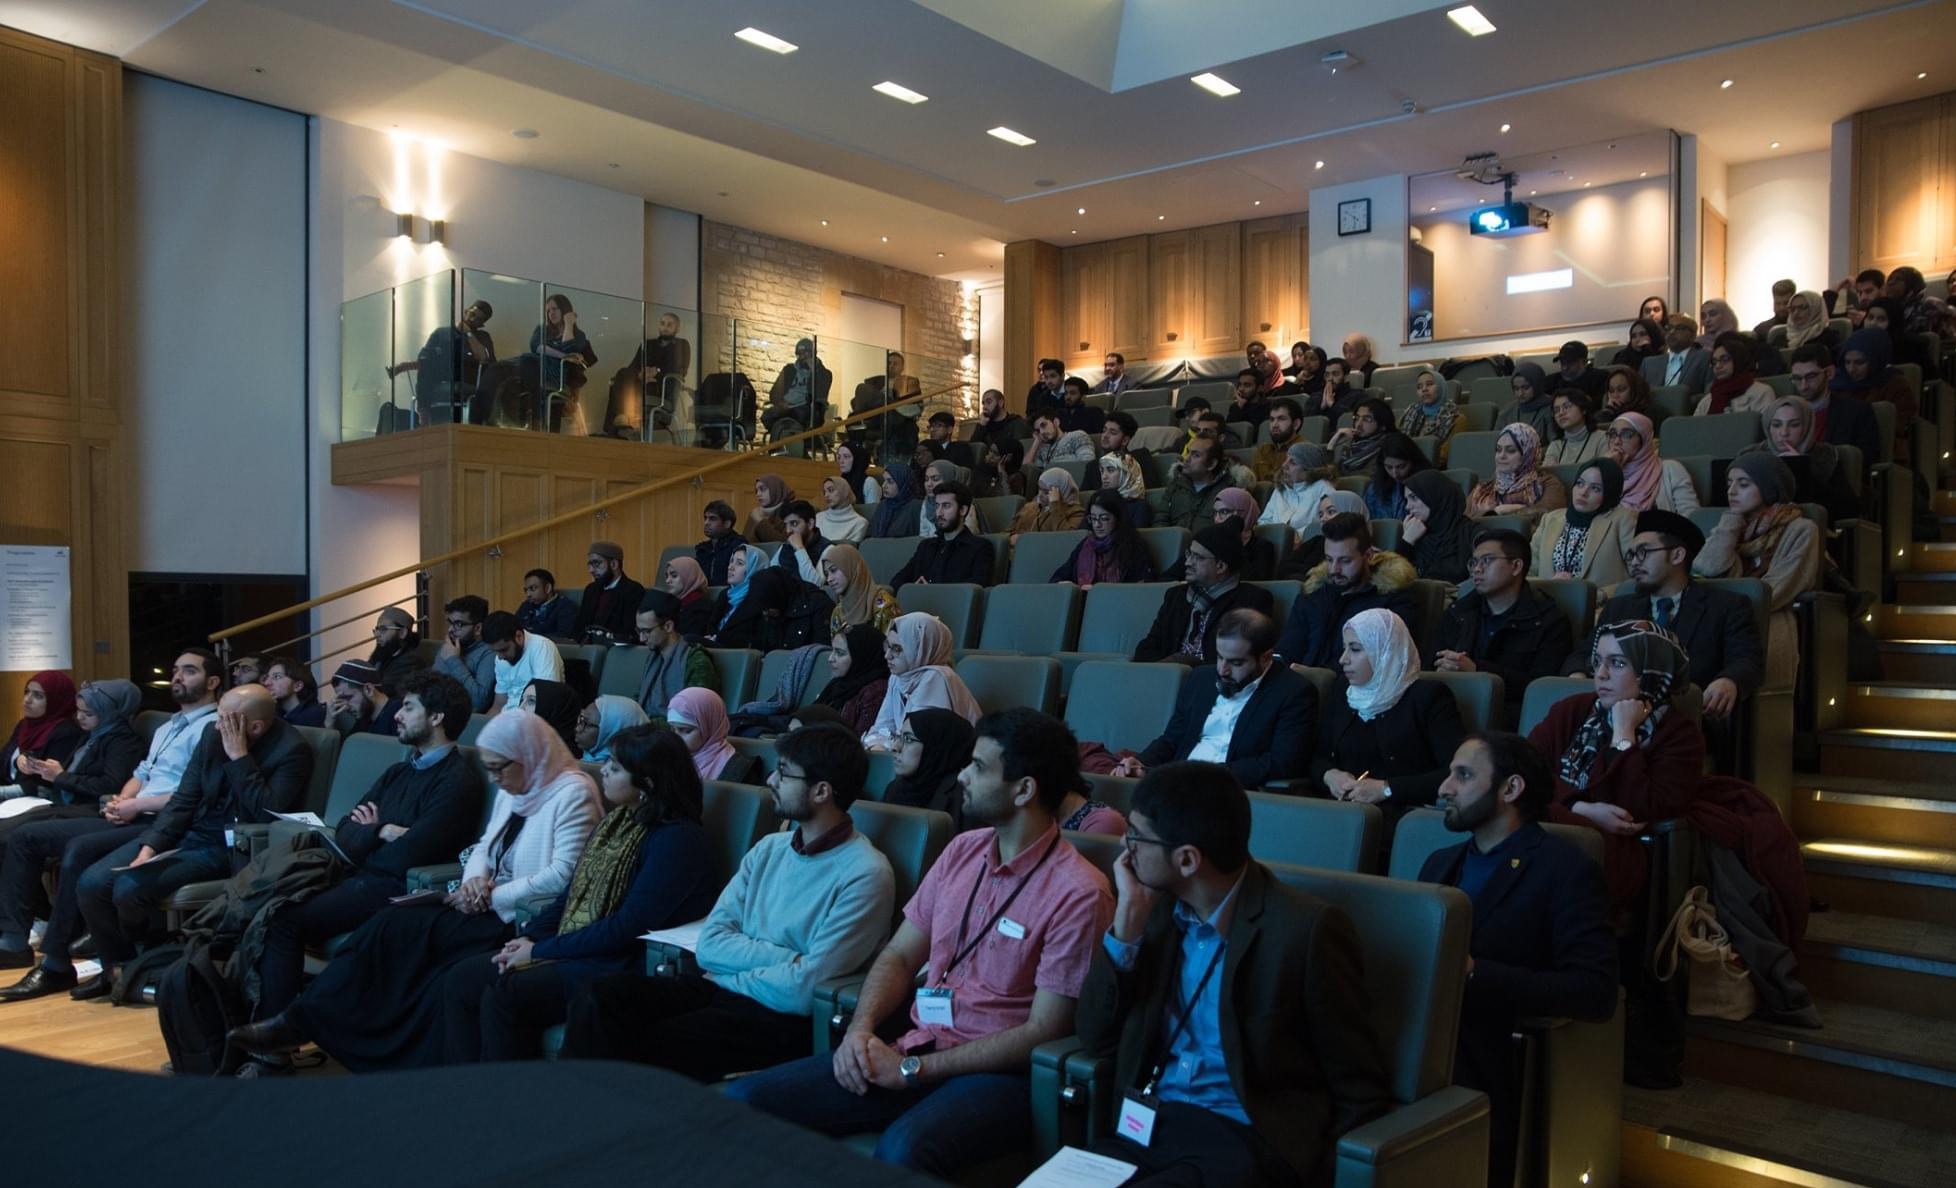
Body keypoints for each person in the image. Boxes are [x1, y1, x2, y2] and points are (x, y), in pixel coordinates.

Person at [724, 711, 1115, 1180]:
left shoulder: (1079, 892)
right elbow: (899, 954)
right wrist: (860, 1030)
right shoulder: (963, 850)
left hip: (996, 1076)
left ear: (1024, 789)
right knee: (744, 1102)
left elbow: (1042, 1030)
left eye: (978, 767)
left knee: (903, 1149)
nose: (962, 776)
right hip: (916, 1040)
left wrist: (914, 1071)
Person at [229, 709, 600, 1071]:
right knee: (390, 924)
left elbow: (566, 876)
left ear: (529, 755)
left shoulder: (572, 793)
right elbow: (486, 845)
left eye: (499, 768)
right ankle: (302, 1020)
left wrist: (491, 895)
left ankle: (322, 1030)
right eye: (488, 767)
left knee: (422, 959)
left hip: (521, 919)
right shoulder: (516, 785)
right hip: (480, 903)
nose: (493, 779)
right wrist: (474, 878)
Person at [1081, 761, 1391, 1188]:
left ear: (1187, 859)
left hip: (1245, 1138)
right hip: (1150, 1125)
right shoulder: (1151, 910)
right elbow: (1094, 1036)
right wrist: (1126, 927)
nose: (1124, 847)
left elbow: (1358, 1084)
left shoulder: (1303, 931)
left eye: (1136, 836)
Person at [560, 722, 896, 1078]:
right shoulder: (770, 848)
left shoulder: (865, 873)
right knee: (598, 997)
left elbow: (805, 987)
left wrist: (741, 966)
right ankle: (579, 1115)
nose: (770, 781)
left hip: (778, 1016)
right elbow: (710, 945)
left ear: (821, 791)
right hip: (719, 987)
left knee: (651, 1041)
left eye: (783, 773)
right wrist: (788, 958)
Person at [234, 671, 486, 1069]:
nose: (397, 716)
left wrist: (373, 834)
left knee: (284, 921)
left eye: (408, 707)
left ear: (437, 718)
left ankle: (273, 1050)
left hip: (395, 888)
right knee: (268, 909)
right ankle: (260, 1035)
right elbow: (347, 831)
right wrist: (382, 832)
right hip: (360, 874)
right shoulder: (399, 771)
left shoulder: (457, 781)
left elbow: (410, 855)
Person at [436, 724, 718, 1063]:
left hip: (622, 963)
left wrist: (541, 950)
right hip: (585, 947)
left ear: (647, 783)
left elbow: (627, 927)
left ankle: (505, 1103)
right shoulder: (616, 825)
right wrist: (528, 938)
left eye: (615, 768)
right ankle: (462, 1089)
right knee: (461, 979)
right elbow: (570, 896)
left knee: (507, 994)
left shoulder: (677, 840)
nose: (604, 772)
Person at [1423, 733, 1617, 1188]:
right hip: (1424, 1042)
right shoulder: (1439, 863)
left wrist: (1474, 973)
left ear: (1510, 790)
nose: (1443, 787)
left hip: (1491, 1055)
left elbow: (1595, 992)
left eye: (1463, 775)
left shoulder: (1565, 870)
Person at [0, 652, 219, 997]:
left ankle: (59, 961)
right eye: (175, 670)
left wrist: (132, 804)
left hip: (166, 819)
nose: (177, 677)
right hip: (132, 809)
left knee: (75, 850)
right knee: (26, 834)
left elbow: (193, 792)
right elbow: (142, 773)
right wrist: (123, 799)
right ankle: (24, 942)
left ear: (212, 682)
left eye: (188, 671)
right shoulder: (167, 725)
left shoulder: (213, 728)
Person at [82, 684, 315, 996]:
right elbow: (184, 799)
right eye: (218, 717)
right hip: (191, 831)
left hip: (232, 845)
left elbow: (263, 813)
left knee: (129, 888)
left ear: (255, 727)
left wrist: (239, 757)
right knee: (92, 883)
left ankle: (144, 964)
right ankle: (119, 968)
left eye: (226, 721)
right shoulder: (210, 734)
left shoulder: (291, 750)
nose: (217, 726)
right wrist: (151, 846)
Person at [1532, 621, 1702, 914]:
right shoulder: (1574, 709)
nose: (1600, 674)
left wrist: (1624, 736)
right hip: (1549, 829)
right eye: (1597, 662)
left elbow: (1635, 810)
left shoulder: (1680, 736)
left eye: (1618, 663)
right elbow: (1522, 770)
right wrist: (1580, 808)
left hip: (1611, 852)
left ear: (1651, 672)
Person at [1565, 511, 1763, 737]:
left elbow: (1747, 660)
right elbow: (1581, 655)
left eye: (1644, 552)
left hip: (1684, 720)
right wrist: (1578, 677)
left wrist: (1729, 680)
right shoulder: (1619, 607)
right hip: (1613, 714)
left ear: (1678, 555)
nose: (1635, 563)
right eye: (1631, 555)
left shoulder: (1726, 606)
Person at [0, 678, 144, 959]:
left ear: (110, 713)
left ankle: (18, 933)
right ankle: (13, 929)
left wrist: (60, 776)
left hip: (95, 811)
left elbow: (107, 786)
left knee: (16, 837)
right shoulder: (93, 734)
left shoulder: (122, 740)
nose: (79, 717)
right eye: (79, 711)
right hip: (72, 806)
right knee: (7, 833)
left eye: (88, 713)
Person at [1115, 609, 1316, 789]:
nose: (1222, 670)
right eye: (1220, 657)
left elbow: (1281, 762)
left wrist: (1199, 775)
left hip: (1230, 791)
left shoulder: (1294, 691)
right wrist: (1141, 762)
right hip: (1175, 785)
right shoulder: (1200, 679)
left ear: (1265, 658)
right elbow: (1172, 739)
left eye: (1235, 662)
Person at [1314, 609, 1463, 826]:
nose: (1343, 659)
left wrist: (1386, 788)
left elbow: (1455, 772)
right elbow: (1316, 756)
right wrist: (1329, 775)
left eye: (1355, 649)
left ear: (1384, 651)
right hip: (1341, 814)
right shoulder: (1342, 691)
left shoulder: (1429, 697)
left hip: (1403, 818)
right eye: (1344, 648)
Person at [1693, 453, 1821, 688]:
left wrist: (1731, 607)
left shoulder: (1802, 529)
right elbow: (1706, 569)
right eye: (1729, 483)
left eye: (1743, 484)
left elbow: (1779, 588)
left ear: (1768, 487)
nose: (1731, 491)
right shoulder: (1732, 526)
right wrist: (1730, 521)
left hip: (1768, 614)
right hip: (1725, 616)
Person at [1430, 530, 1573, 718]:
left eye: (1487, 560)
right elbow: (1428, 664)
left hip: (1511, 716)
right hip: (1451, 706)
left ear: (1516, 566)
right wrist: (1441, 670)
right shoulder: (1458, 613)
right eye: (1473, 562)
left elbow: (1540, 688)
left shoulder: (1549, 620)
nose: (1477, 569)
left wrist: (1477, 671)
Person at [1275, 513, 1418, 668]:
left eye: (1345, 561)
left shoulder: (1392, 604)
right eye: (1329, 559)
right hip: (1302, 687)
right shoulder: (1311, 598)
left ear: (1368, 556)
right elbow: (1286, 653)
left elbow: (1382, 667)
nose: (1335, 569)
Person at [1133, 524, 1276, 666]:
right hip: (1168, 677)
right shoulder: (1176, 596)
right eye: (1189, 555)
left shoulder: (1252, 600)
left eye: (1197, 557)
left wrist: (1191, 665)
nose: (1187, 563)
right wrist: (1166, 668)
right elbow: (1149, 646)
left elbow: (1243, 659)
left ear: (1221, 566)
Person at [862, 613, 982, 750]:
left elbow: (919, 741)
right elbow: (881, 728)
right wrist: (878, 745)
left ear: (920, 648)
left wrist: (884, 746)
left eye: (897, 649)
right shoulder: (898, 676)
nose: (887, 655)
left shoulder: (936, 677)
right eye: (888, 646)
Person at [1745, 395, 1861, 525]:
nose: (1784, 432)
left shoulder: (1824, 456)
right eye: (1776, 425)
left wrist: (1800, 469)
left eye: (1794, 425)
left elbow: (1849, 510)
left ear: (1806, 427)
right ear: (1767, 427)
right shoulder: (1751, 456)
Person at [1533, 459, 1633, 587]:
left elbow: (1638, 577)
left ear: (1610, 493)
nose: (1583, 492)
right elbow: (1528, 573)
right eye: (1580, 483)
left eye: (1595, 488)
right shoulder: (1550, 519)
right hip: (1550, 603)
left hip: (1601, 605)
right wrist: (1550, 586)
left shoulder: (1623, 520)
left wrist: (1597, 596)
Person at [890, 483, 995, 589]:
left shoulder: (979, 547)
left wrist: (934, 592)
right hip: (918, 604)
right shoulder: (926, 546)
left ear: (962, 510)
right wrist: (914, 589)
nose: (939, 513)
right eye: (937, 505)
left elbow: (975, 590)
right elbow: (896, 582)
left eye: (946, 506)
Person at [1788, 344, 1881, 464]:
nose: (1803, 385)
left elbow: (1866, 462)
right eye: (1797, 378)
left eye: (1811, 376)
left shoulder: (1856, 411)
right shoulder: (1785, 413)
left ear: (1830, 373)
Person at [1833, 328, 1918, 459]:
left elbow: (1902, 424)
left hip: (1883, 448)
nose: (1851, 369)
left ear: (1875, 359)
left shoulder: (1895, 383)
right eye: (1847, 362)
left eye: (1859, 362)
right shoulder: (1837, 384)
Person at [634, 591, 717, 722]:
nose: (641, 638)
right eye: (639, 631)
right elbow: (639, 699)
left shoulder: (696, 661)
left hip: (674, 734)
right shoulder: (653, 658)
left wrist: (641, 724)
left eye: (646, 631)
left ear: (668, 626)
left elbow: (691, 716)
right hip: (645, 730)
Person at [879, 708, 977, 819]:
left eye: (908, 739)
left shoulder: (963, 798)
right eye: (899, 737)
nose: (895, 747)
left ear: (936, 748)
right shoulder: (895, 788)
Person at [410, 298, 495, 425]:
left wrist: (469, 334)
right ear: (466, 311)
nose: (472, 319)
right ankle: (424, 411)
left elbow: (485, 359)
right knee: (426, 363)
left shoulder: (483, 337)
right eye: (472, 314)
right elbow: (424, 356)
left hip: (467, 378)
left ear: (481, 324)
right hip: (440, 377)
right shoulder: (442, 333)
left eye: (477, 319)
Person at [523, 293, 597, 432]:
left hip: (559, 375)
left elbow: (570, 348)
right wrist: (562, 355)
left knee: (528, 364)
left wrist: (569, 324)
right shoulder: (542, 329)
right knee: (525, 360)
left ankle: (542, 429)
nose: (551, 313)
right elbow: (536, 347)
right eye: (548, 311)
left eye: (555, 309)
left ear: (565, 309)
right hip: (538, 371)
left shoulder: (579, 335)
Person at [0, 672, 80, 801]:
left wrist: (3, 792)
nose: (27, 699)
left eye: (38, 696)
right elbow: (4, 760)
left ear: (56, 700)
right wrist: (16, 761)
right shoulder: (24, 724)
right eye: (27, 692)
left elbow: (45, 784)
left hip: (35, 801)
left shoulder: (66, 732)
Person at [1467, 423, 1567, 524]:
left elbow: (1551, 521)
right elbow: (1462, 525)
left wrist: (1510, 511)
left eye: (1510, 451)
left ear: (1528, 454)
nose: (1501, 456)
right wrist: (1497, 512)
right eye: (1498, 449)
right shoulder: (1482, 490)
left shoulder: (1547, 484)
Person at [1057, 491, 1155, 586]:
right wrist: (1068, 585)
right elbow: (1059, 577)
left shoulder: (1134, 546)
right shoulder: (1086, 545)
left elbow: (1143, 584)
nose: (1097, 525)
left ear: (1118, 518)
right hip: (1084, 600)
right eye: (1093, 518)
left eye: (1104, 518)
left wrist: (1097, 591)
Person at [668, 688, 763, 785]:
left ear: (710, 728)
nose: (676, 737)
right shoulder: (667, 760)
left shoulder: (738, 770)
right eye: (672, 729)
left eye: (687, 731)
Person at [1610, 412, 1699, 513]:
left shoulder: (1670, 470)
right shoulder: (1606, 474)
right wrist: (1607, 470)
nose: (1617, 441)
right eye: (1612, 434)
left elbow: (1691, 517)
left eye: (1626, 434)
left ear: (1644, 439)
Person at [1397, 470, 1474, 583]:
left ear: (1435, 496)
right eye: (1406, 499)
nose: (1407, 507)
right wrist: (1407, 542)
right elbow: (1392, 580)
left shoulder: (1471, 533)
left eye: (1413, 497)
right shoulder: (1414, 532)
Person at [815, 625, 892, 735]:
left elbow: (855, 741)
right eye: (833, 651)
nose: (830, 658)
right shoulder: (839, 684)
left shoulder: (875, 692)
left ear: (860, 657)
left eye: (840, 653)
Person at [484, 611, 565, 716]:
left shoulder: (542, 647)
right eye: (495, 651)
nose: (499, 657)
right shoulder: (500, 657)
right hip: (507, 720)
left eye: (504, 650)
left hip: (533, 721)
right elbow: (498, 705)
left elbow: (545, 704)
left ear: (519, 636)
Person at [1277, 489, 1368, 579]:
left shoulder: (1366, 551)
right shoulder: (1316, 541)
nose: (1323, 519)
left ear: (1350, 510)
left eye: (1331, 512)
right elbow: (1283, 567)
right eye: (1321, 514)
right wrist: (1312, 572)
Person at [432, 595, 498, 712]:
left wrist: (453, 660)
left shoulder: (489, 653)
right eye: (450, 623)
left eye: (459, 625)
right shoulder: (449, 646)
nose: (450, 630)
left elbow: (479, 702)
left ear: (478, 628)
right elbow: (430, 689)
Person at [573, 542, 647, 643]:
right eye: (589, 564)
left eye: (596, 564)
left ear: (614, 564)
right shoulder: (591, 590)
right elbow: (580, 626)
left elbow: (629, 632)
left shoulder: (633, 590)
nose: (591, 570)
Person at [821, 543, 900, 637]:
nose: (829, 579)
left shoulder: (885, 607)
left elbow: (895, 649)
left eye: (833, 570)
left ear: (851, 568)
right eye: (826, 574)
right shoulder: (838, 612)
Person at [1259, 442, 1338, 534]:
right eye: (1286, 459)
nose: (1284, 465)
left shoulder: (1323, 489)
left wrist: (1298, 536)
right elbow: (1264, 521)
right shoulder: (1280, 488)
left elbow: (1326, 523)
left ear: (1308, 470)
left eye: (1293, 462)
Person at [765, 338, 832, 442]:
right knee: (768, 416)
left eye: (805, 354)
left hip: (806, 409)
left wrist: (814, 371)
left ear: (813, 354)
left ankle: (793, 448)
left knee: (795, 418)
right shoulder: (789, 369)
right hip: (785, 406)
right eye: (799, 354)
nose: (802, 357)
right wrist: (780, 403)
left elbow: (819, 394)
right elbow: (774, 392)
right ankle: (781, 448)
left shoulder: (825, 374)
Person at [1694, 333, 1775, 415]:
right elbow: (1695, 427)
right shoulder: (1707, 401)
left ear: (1738, 359)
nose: (1718, 366)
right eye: (1714, 362)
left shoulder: (1761, 393)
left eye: (1725, 359)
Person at [1163, 435, 1232, 532]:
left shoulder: (1228, 491)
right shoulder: (1174, 486)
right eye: (1187, 452)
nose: (1186, 458)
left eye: (1196, 455)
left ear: (1212, 464)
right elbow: (1160, 520)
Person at [1363, 431, 1430, 520]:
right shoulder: (1374, 489)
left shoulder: (1427, 484)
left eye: (1401, 466)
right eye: (1389, 467)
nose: (1395, 474)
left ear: (1413, 461)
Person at [1211, 489, 1275, 580]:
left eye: (1224, 512)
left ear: (1242, 514)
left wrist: (1233, 542)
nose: (1217, 519)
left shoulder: (1262, 547)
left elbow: (1254, 583)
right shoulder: (1209, 541)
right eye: (1215, 513)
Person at [1009, 467, 1086, 541]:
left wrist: (1055, 505)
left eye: (1046, 492)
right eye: (1039, 489)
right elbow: (1007, 532)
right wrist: (1010, 537)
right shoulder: (1030, 507)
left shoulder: (1076, 513)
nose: (1040, 495)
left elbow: (1067, 539)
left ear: (1061, 492)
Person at [1642, 315, 1712, 394]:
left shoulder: (1705, 358)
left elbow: (1708, 395)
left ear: (1693, 336)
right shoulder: (1649, 364)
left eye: (1679, 328)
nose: (1672, 332)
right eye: (1669, 328)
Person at [365, 606, 427, 694]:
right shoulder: (382, 654)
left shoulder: (411, 661)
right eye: (377, 630)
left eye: (383, 629)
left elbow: (382, 690)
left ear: (402, 633)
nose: (377, 635)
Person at [329, 659, 398, 738]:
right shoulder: (364, 719)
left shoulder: (398, 717)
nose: (346, 707)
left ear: (369, 689)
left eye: (348, 697)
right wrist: (329, 724)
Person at [1542, 387, 1611, 467]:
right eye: (1556, 410)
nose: (1561, 413)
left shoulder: (1602, 438)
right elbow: (1548, 475)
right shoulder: (1556, 445)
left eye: (1567, 407)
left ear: (1583, 409)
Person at [1396, 369, 1459, 453]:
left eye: (1429, 384)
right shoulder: (1410, 412)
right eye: (1419, 387)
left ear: (1441, 386)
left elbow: (1446, 454)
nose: (1424, 389)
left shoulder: (1454, 417)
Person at [1330, 396, 1395, 477]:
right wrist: (1333, 441)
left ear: (1382, 425)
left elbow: (1367, 476)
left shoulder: (1386, 448)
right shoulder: (1349, 442)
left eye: (1366, 419)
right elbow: (1327, 467)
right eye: (1357, 418)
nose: (1358, 424)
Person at [917, 459, 981, 538]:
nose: (929, 484)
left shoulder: (963, 504)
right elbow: (923, 535)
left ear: (949, 478)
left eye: (935, 479)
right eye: (926, 479)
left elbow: (971, 535)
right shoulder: (926, 503)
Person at [774, 500, 832, 587]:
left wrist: (800, 550)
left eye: (794, 523)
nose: (788, 530)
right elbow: (769, 575)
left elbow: (815, 585)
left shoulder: (827, 549)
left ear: (810, 524)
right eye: (785, 525)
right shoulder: (785, 546)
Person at [519, 679, 585, 754]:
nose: (521, 708)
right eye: (522, 700)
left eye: (531, 701)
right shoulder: (525, 744)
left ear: (553, 708)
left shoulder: (562, 758)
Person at [658, 555, 715, 640]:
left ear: (689, 577)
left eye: (674, 576)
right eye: (667, 576)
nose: (667, 581)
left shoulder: (703, 608)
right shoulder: (668, 605)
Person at [1248, 398, 1305, 482]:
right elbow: (1251, 483)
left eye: (1281, 419)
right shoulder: (1262, 450)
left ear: (1296, 424)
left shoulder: (1304, 450)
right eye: (1272, 419)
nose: (1274, 425)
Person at [694, 500, 750, 587]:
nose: (706, 523)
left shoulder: (738, 545)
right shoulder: (703, 549)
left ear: (727, 523)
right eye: (705, 518)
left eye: (712, 519)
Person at [1497, 362, 1556, 440]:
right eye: (1516, 389)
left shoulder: (1551, 408)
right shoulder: (1506, 413)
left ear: (1537, 385)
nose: (1520, 394)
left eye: (1526, 387)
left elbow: (1555, 444)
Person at [262, 656, 325, 728]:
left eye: (277, 677)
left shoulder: (313, 715)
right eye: (266, 678)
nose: (267, 683)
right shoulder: (276, 712)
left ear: (297, 686)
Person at [515, 568, 577, 639]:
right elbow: (514, 627)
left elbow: (564, 636)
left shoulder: (566, 606)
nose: (528, 594)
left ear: (548, 588)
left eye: (532, 588)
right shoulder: (526, 605)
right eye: (526, 590)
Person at [867, 464, 924, 539]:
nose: (884, 486)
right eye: (884, 481)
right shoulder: (883, 505)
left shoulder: (915, 506)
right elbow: (869, 536)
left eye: (890, 481)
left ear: (903, 483)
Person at [971, 388, 1031, 457]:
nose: (984, 407)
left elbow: (1019, 450)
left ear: (1000, 403)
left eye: (989, 402)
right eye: (983, 403)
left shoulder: (1016, 423)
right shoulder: (985, 425)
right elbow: (973, 450)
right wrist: (981, 426)